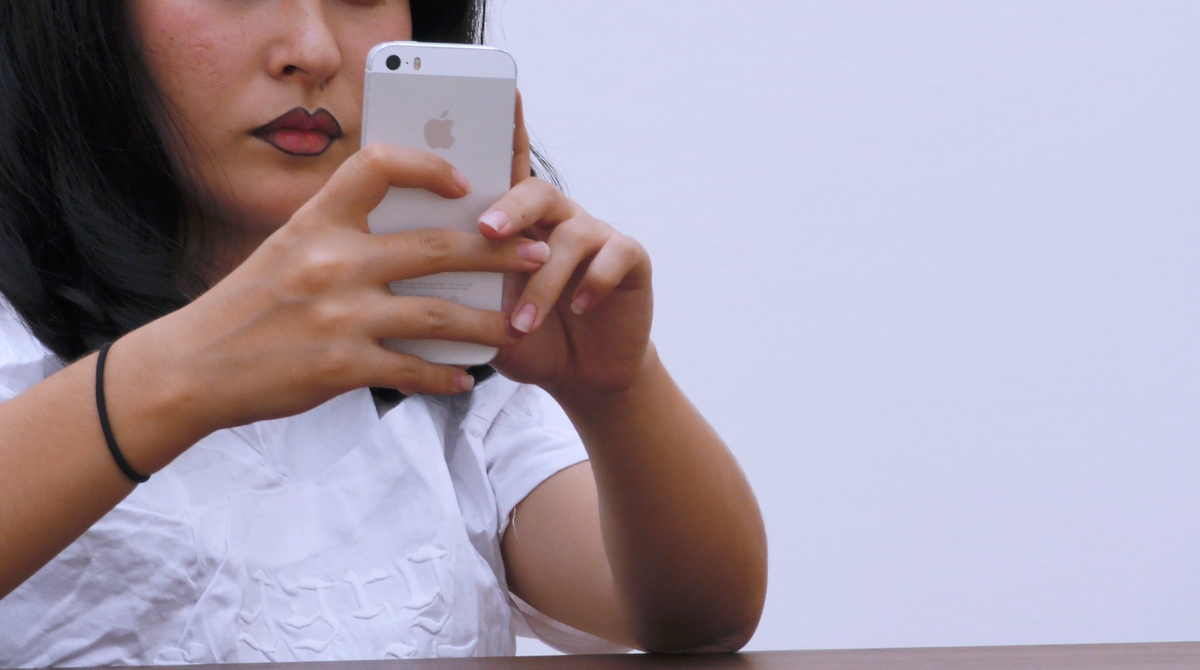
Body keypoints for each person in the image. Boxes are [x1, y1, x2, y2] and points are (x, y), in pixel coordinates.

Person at [0, 0, 767, 664]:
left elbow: (700, 623)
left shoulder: (441, 351)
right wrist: (190, 368)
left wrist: (619, 393)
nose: (314, 49)